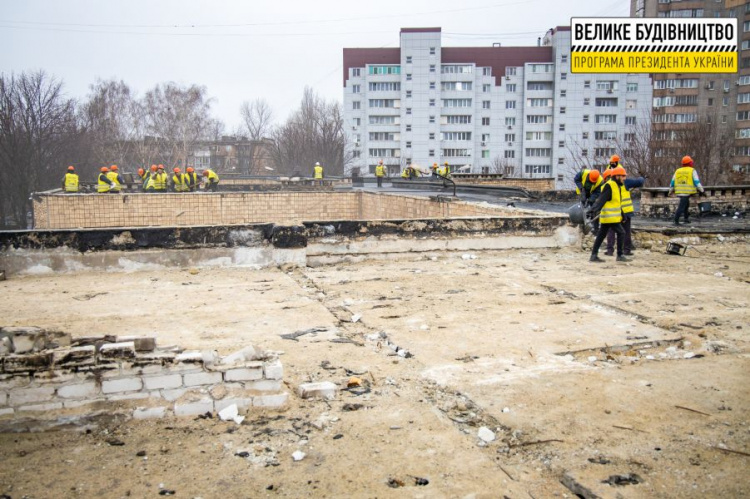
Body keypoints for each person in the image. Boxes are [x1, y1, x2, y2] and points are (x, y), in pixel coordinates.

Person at [589, 166, 629, 262]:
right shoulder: (609, 185)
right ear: (617, 176)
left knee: (601, 235)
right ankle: (620, 255)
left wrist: (622, 215)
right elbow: (601, 200)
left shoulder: (617, 186)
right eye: (623, 176)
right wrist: (593, 210)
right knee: (622, 233)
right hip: (610, 218)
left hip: (611, 218)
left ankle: (593, 255)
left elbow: (617, 203)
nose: (625, 178)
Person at [605, 169, 645, 256]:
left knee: (611, 231)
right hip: (625, 211)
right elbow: (639, 182)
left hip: (614, 212)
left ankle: (609, 250)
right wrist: (642, 178)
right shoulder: (626, 182)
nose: (625, 177)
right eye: (623, 175)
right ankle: (626, 250)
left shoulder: (607, 185)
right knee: (626, 231)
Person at [668, 155, 705, 226]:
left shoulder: (678, 171)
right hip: (686, 192)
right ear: (690, 163)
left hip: (679, 191)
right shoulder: (692, 171)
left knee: (686, 205)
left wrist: (670, 191)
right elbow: (697, 182)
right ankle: (676, 221)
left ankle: (686, 219)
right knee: (681, 207)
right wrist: (702, 191)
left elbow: (672, 182)